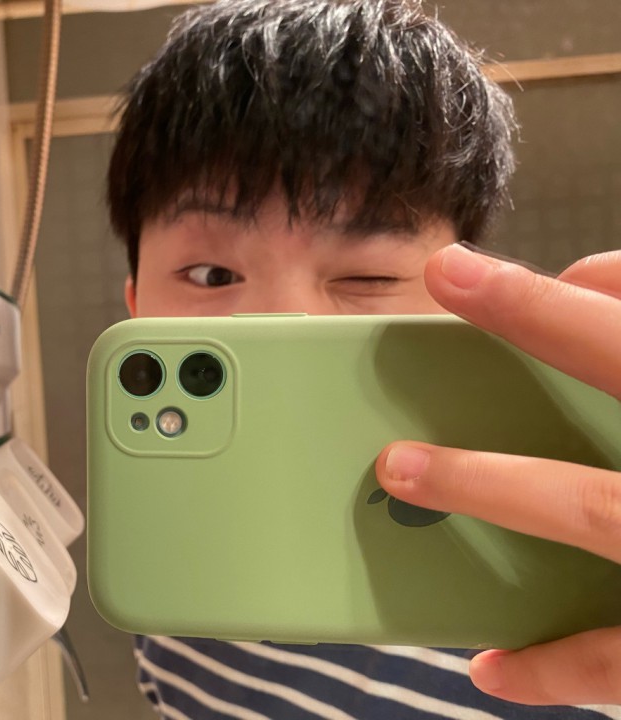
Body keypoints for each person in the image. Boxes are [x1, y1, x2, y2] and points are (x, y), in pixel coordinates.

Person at [106, 0, 621, 717]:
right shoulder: (160, 583)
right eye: (211, 275)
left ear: (460, 306)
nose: (284, 327)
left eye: (368, 276)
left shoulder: (570, 617)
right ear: (136, 309)